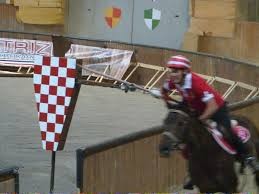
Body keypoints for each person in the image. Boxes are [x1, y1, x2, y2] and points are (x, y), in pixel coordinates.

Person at [161, 55, 259, 190]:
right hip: (195, 108)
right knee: (188, 137)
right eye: (171, 71)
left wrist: (201, 119)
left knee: (228, 130)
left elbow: (212, 106)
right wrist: (168, 103)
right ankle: (193, 173)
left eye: (176, 71)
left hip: (217, 109)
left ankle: (248, 157)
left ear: (185, 72)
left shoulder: (196, 83)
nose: (172, 74)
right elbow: (164, 90)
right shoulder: (173, 81)